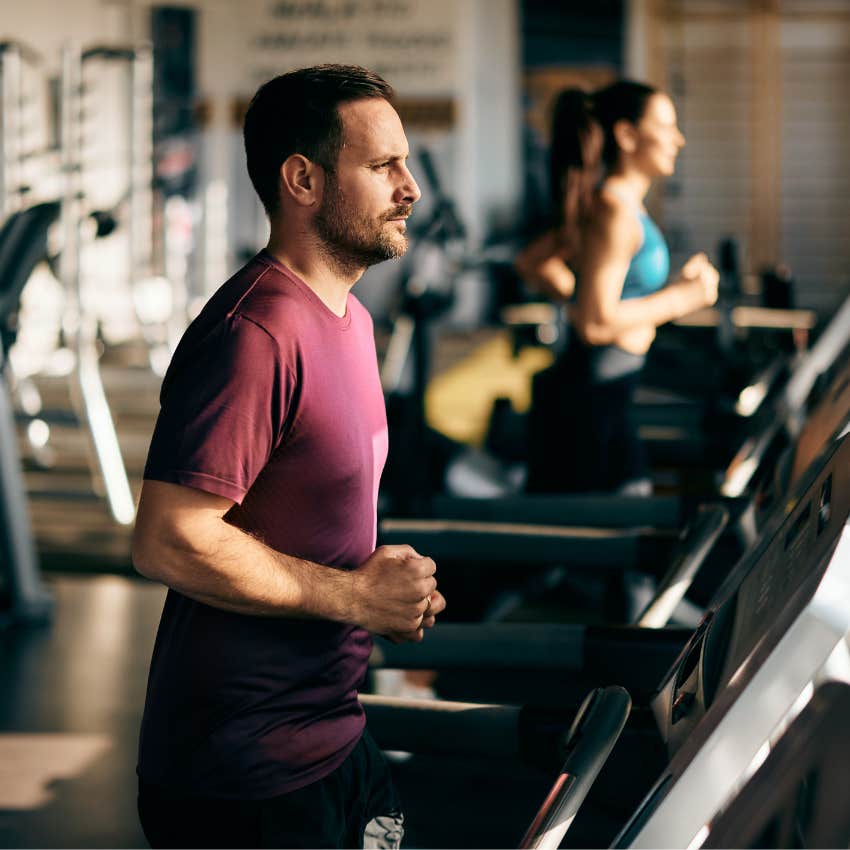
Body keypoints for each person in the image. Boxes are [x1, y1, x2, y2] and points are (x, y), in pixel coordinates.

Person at [131, 64, 446, 849]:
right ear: (302, 179)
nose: (410, 188)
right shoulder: (255, 334)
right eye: (382, 167)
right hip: (245, 775)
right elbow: (169, 537)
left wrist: (387, 586)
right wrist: (354, 599)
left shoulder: (350, 320)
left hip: (334, 734)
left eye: (405, 165)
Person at [518, 81, 719, 494]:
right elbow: (596, 324)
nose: (677, 139)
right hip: (589, 395)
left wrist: (578, 296)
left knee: (625, 509)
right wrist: (684, 297)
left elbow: (534, 263)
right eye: (665, 126)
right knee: (597, 532)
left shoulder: (613, 205)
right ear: (627, 136)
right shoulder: (612, 210)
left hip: (607, 390)